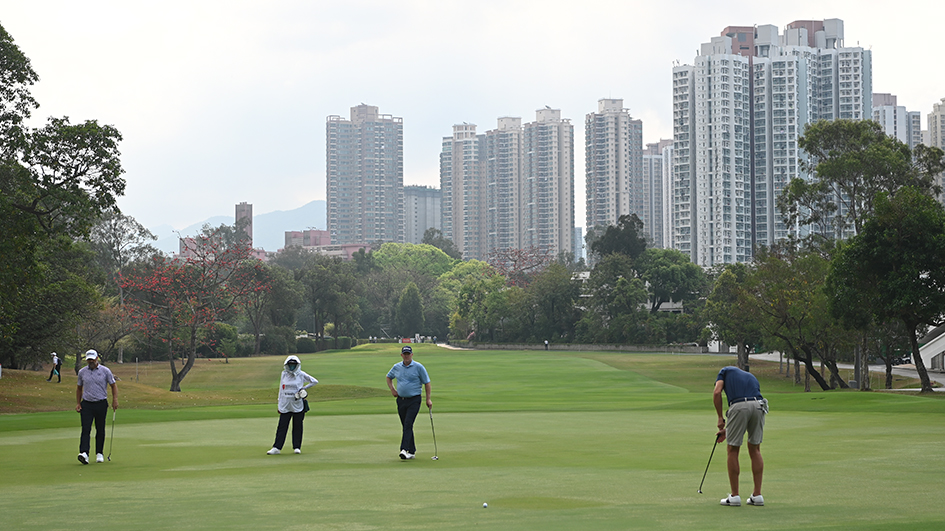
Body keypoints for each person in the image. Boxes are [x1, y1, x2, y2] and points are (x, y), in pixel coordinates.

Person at [714, 366, 768, 507]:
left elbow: (717, 392)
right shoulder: (750, 376)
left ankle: (734, 496)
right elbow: (749, 406)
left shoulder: (724, 372)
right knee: (755, 449)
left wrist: (720, 418)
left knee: (733, 450)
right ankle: (757, 495)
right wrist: (728, 430)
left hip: (739, 406)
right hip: (759, 405)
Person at [386, 345, 432, 460]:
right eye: (404, 354)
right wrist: (393, 390)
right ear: (402, 355)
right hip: (401, 400)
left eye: (408, 354)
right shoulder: (397, 367)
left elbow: (427, 383)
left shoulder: (418, 367)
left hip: (414, 400)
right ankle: (412, 451)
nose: (406, 356)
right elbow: (388, 377)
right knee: (406, 426)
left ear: (412, 355)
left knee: (407, 424)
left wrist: (428, 399)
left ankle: (404, 449)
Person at [267, 355, 318, 455]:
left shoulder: (301, 374)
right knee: (282, 426)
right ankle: (277, 447)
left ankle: (297, 447)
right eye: (290, 364)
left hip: (297, 404)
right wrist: (279, 403)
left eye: (293, 365)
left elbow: (314, 381)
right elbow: (281, 389)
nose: (291, 366)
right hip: (285, 404)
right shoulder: (284, 374)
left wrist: (303, 389)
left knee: (298, 426)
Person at [76, 349, 118, 464]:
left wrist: (115, 400)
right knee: (86, 429)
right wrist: (78, 403)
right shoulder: (82, 372)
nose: (90, 361)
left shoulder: (105, 371)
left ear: (97, 358)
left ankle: (99, 453)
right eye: (88, 359)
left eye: (92, 359)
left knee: (100, 429)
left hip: (101, 403)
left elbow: (113, 385)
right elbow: (79, 388)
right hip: (87, 404)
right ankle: (84, 453)